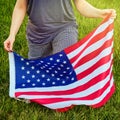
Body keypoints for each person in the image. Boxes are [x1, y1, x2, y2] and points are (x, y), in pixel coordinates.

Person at [4, 0, 116, 59]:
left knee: (62, 64)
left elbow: (80, 3)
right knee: (39, 72)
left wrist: (100, 13)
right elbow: (20, 6)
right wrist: (12, 34)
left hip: (65, 28)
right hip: (38, 33)